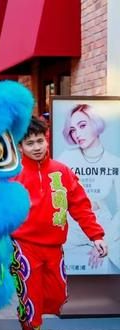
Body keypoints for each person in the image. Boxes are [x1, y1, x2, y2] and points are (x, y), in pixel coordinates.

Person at [11, 116, 109, 330]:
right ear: (20, 146)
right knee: (31, 300)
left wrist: (96, 236)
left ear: (47, 140)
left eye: (40, 141)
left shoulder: (62, 171)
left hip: (54, 248)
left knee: (56, 296)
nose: (36, 147)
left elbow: (80, 206)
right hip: (24, 248)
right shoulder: (13, 176)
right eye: (30, 143)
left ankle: (29, 318)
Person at [57, 104, 120, 273]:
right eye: (72, 130)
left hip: (102, 224)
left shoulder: (114, 162)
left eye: (82, 125)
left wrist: (104, 240)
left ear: (95, 122)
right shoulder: (65, 158)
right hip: (70, 226)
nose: (77, 134)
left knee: (106, 267)